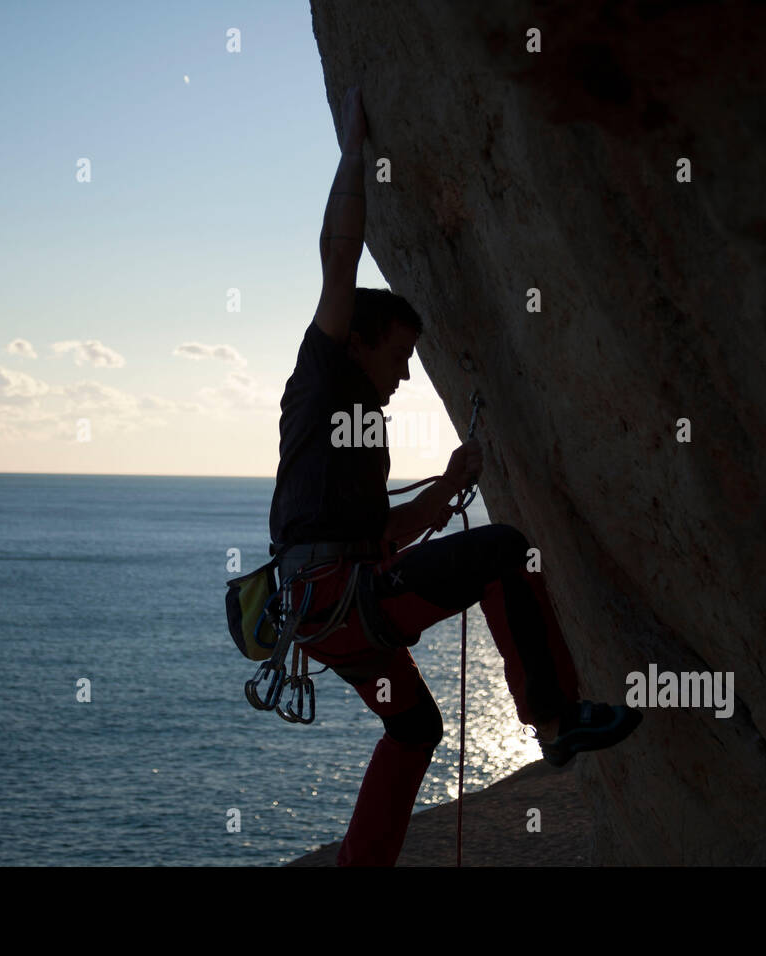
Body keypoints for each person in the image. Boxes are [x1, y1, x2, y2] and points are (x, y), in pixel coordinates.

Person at [267, 86, 642, 867]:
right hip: (342, 601)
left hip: (331, 611)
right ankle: (556, 717)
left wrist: (444, 487)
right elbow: (339, 257)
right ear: (360, 340)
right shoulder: (324, 375)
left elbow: (384, 531)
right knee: (503, 551)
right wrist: (352, 156)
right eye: (400, 355)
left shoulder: (358, 426)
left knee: (415, 729)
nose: (407, 374)